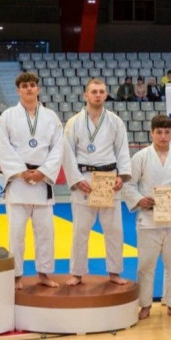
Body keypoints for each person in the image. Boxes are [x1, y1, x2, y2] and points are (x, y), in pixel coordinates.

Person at [0, 72, 64, 290]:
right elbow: (1, 146)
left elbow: (58, 147)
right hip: (18, 182)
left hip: (42, 182)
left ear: (38, 89)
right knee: (16, 234)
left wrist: (43, 172)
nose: (29, 89)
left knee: (45, 232)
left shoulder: (51, 117)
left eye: (33, 85)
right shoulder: (7, 116)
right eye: (25, 86)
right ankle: (15, 275)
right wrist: (21, 172)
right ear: (18, 90)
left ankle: (43, 273)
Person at [123, 114, 171, 320]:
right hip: (148, 220)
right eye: (159, 132)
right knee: (146, 265)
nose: (163, 136)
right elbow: (129, 185)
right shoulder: (140, 157)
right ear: (151, 133)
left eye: (166, 132)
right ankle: (145, 305)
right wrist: (139, 199)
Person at [62, 78, 132, 287]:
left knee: (114, 230)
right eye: (94, 91)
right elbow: (67, 154)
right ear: (86, 95)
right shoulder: (74, 122)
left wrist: (122, 176)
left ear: (106, 94)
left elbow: (122, 151)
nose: (98, 95)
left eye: (101, 91)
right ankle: (77, 273)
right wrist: (76, 180)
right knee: (80, 231)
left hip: (109, 180)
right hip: (84, 180)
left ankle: (114, 272)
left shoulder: (115, 121)